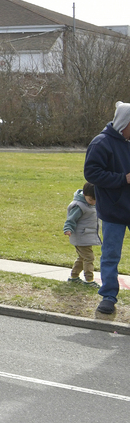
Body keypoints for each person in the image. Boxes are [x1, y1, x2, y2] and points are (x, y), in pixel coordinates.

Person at [83, 102, 130, 317]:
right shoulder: (101, 143)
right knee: (110, 256)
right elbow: (91, 173)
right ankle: (108, 297)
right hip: (113, 211)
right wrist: (123, 179)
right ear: (124, 123)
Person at [64, 182, 100, 287]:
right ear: (84, 194)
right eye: (90, 200)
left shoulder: (90, 204)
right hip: (81, 237)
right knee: (89, 258)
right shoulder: (79, 206)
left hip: (86, 236)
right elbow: (71, 219)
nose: (93, 202)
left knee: (82, 257)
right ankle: (89, 280)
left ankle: (74, 277)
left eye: (95, 200)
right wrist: (68, 229)